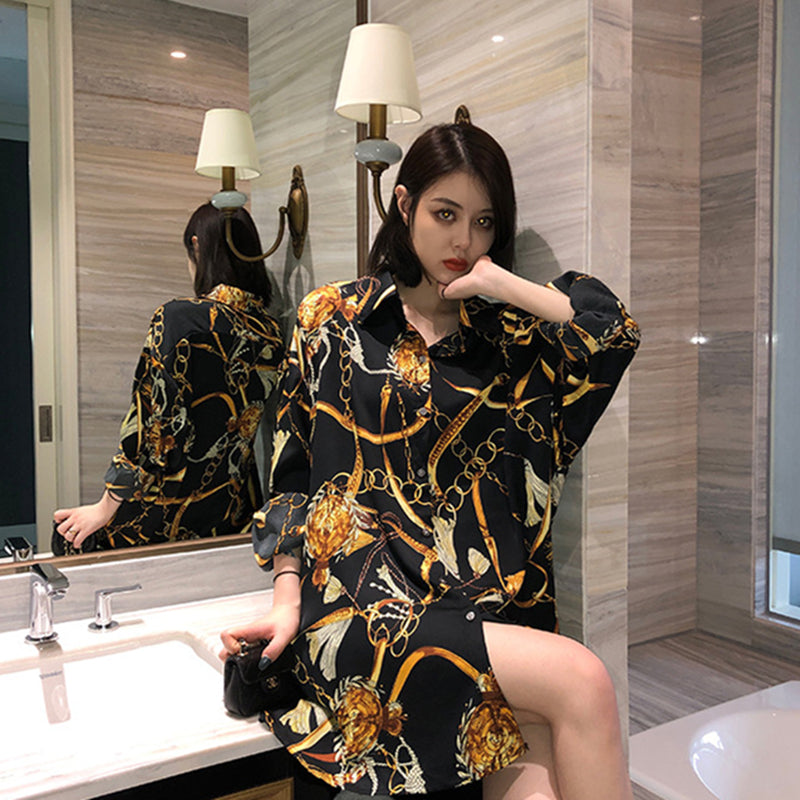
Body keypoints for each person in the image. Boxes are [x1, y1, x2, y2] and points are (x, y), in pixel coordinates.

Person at [219, 123, 640, 799]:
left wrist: (504, 284)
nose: (463, 240)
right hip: (365, 608)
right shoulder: (332, 319)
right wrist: (287, 598)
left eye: (483, 222)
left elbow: (612, 332)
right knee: (584, 679)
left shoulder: (508, 340)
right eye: (445, 214)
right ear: (404, 204)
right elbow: (291, 475)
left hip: (484, 613)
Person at [53, 203, 284, 551]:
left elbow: (153, 430)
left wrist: (105, 507)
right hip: (232, 515)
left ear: (196, 246)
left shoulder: (179, 319)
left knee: (66, 541)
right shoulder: (271, 333)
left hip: (162, 517)